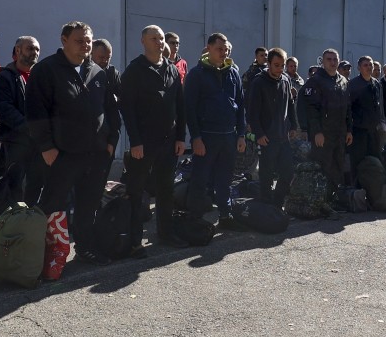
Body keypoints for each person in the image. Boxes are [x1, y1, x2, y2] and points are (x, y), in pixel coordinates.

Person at [27, 21, 121, 276]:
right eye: (80, 40)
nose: (86, 45)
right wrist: (46, 146)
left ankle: (85, 248)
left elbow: (111, 110)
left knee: (88, 205)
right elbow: (36, 113)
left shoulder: (98, 72)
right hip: (63, 154)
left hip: (97, 154)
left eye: (88, 40)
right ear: (64, 40)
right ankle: (45, 257)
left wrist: (112, 141)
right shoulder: (46, 70)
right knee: (53, 205)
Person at [121, 25, 187, 247]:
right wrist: (135, 141)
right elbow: (127, 109)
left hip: (168, 142)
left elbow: (180, 106)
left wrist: (180, 137)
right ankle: (134, 241)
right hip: (144, 143)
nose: (159, 42)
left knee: (165, 190)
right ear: (143, 42)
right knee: (137, 191)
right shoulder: (134, 71)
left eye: (161, 38)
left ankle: (166, 234)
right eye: (154, 38)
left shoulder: (172, 69)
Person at [184, 33, 246, 229]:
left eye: (226, 49)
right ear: (209, 48)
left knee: (225, 178)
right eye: (220, 49)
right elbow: (189, 108)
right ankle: (194, 217)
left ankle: (225, 215)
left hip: (229, 135)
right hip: (207, 136)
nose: (224, 53)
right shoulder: (197, 74)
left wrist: (242, 134)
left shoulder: (233, 73)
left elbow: (241, 104)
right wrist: (196, 137)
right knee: (200, 178)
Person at [0, 36, 44, 204]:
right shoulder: (6, 77)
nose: (34, 53)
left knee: (36, 186)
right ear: (18, 51)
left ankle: (31, 222)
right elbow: (4, 108)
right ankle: (14, 222)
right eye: (30, 49)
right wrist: (29, 128)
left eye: (37, 49)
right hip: (15, 143)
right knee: (15, 188)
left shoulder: (41, 77)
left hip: (40, 144)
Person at [247, 48, 298, 207]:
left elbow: (290, 105)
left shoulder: (285, 80)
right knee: (266, 176)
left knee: (288, 172)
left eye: (282, 65)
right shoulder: (258, 82)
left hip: (283, 137)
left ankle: (277, 204)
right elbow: (252, 112)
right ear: (268, 64)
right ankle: (265, 206)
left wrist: (293, 126)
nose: (280, 69)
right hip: (266, 138)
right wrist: (259, 134)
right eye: (276, 65)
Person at [301, 48, 352, 197]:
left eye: (335, 59)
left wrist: (349, 130)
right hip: (323, 133)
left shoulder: (343, 81)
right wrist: (317, 132)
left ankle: (334, 198)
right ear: (322, 62)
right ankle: (321, 200)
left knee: (338, 165)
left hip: (340, 132)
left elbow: (348, 108)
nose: (332, 62)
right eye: (329, 59)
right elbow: (311, 109)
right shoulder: (315, 81)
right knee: (323, 166)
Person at [347, 55, 385, 172]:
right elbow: (348, 108)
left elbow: (379, 105)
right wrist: (349, 130)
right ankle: (357, 187)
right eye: (365, 65)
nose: (369, 67)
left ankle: (372, 187)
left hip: (374, 130)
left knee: (375, 159)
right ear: (359, 68)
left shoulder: (376, 84)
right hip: (358, 130)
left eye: (371, 65)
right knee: (358, 160)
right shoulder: (353, 85)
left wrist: (381, 122)